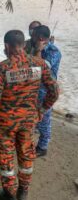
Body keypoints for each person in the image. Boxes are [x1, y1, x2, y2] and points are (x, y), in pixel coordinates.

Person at [0, 30, 59, 200]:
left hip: (6, 122)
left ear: (6, 46)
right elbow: (54, 91)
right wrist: (42, 109)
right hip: (28, 121)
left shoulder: (3, 68)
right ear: (24, 45)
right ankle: (23, 191)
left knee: (5, 155)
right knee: (26, 154)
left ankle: (9, 192)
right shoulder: (39, 64)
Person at [28, 25, 62, 157]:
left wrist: (38, 52)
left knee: (45, 120)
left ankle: (42, 147)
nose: (31, 37)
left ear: (40, 38)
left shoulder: (54, 51)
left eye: (34, 35)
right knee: (35, 118)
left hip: (46, 92)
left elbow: (40, 68)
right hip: (34, 89)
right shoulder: (34, 47)